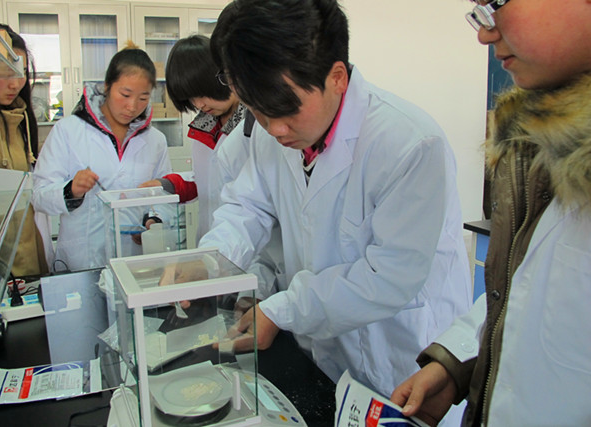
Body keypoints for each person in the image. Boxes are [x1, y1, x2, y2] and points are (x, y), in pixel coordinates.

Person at [196, 0, 472, 406]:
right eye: (259, 111)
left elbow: (388, 276)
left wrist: (283, 310)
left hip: (400, 355)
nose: (276, 129)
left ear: (337, 77)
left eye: (285, 109)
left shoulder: (409, 143)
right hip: (325, 354)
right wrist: (207, 265)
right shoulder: (271, 137)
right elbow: (247, 209)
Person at [390, 1, 591, 426]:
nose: (484, 32)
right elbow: (525, 294)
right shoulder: (540, 145)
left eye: (495, 2)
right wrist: (455, 365)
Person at [140, 33, 286, 300]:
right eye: (191, 98)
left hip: (255, 258)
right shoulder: (203, 126)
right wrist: (172, 185)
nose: (200, 104)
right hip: (217, 245)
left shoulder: (257, 127)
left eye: (203, 92)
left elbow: (254, 207)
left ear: (224, 76)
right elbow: (206, 179)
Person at [32, 42, 172, 272]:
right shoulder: (68, 131)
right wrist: (70, 190)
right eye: (125, 94)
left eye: (143, 98)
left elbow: (164, 193)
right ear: (107, 86)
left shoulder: (155, 140)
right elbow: (39, 196)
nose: (132, 106)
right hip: (82, 260)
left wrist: (153, 221)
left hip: (135, 261)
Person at [0, 23, 48, 278]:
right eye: (6, 72)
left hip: (27, 259)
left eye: (21, 72)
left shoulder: (20, 119)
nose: (15, 83)